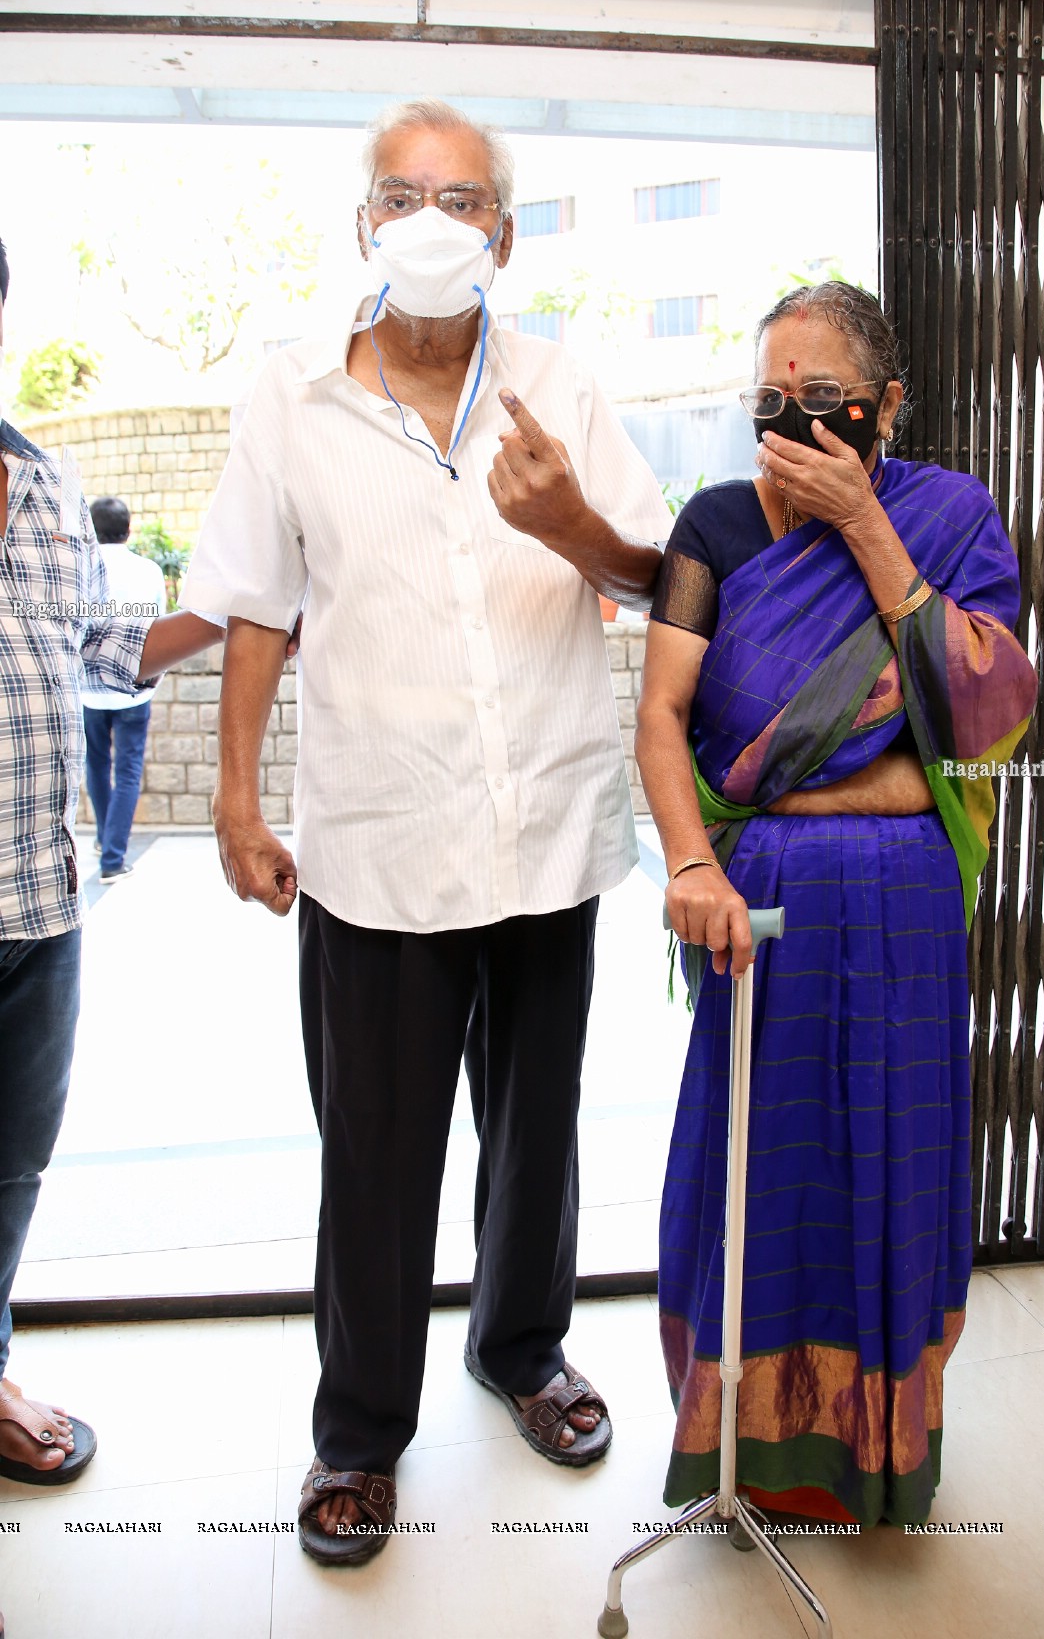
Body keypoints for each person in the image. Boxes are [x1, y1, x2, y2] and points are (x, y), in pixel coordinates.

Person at [179, 98, 672, 1565]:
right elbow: (257, 603)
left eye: (462, 198)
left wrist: (569, 525)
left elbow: (653, 576)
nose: (432, 220)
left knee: (536, 1133)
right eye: (402, 195)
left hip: (545, 834)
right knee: (377, 1157)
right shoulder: (291, 398)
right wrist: (234, 797)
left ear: (506, 236)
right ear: (363, 226)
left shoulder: (563, 387)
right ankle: (358, 1435)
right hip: (378, 848)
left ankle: (522, 1349)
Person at [636, 281, 1037, 1528]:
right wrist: (694, 865)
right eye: (772, 398)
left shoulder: (946, 518)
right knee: (763, 1167)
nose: (794, 421)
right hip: (758, 917)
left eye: (824, 400)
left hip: (907, 916)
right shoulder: (714, 528)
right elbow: (663, 718)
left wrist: (867, 526)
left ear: (886, 407)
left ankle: (878, 1451)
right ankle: (744, 1453)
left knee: (890, 1166)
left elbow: (981, 721)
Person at [0, 237, 228, 1525]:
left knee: (10, 1171)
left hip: (39, 898)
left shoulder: (41, 483)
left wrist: (235, 609)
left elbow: (101, 647)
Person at [82, 496, 168, 881]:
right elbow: (160, 627)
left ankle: (105, 839)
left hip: (87, 688)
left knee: (96, 763)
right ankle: (113, 858)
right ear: (128, 529)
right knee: (128, 769)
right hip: (136, 684)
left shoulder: (79, 566)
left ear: (91, 528)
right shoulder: (147, 570)